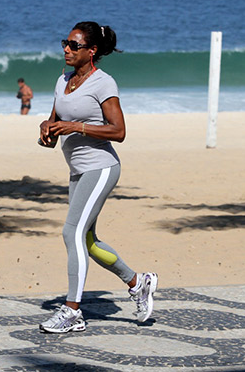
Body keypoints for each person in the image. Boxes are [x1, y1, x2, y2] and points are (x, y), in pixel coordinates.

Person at [37, 21, 158, 334]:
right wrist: (46, 130)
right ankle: (138, 283)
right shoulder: (63, 79)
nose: (66, 49)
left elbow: (119, 131)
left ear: (91, 52)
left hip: (101, 167)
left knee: (70, 233)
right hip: (77, 169)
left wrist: (77, 128)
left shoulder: (104, 84)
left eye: (74, 45)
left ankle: (72, 311)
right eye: (65, 42)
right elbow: (55, 120)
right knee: (87, 240)